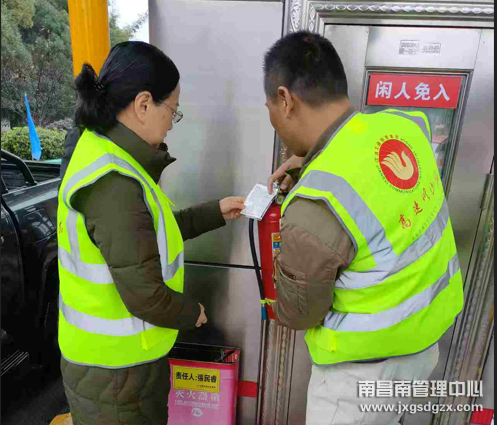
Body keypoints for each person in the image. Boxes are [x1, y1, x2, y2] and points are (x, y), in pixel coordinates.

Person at [264, 31, 464, 425]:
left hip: (358, 380)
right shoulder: (407, 126)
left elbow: (299, 313)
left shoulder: (314, 206)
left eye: (269, 106)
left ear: (285, 100)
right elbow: (369, 177)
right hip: (423, 347)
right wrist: (310, 164)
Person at [57, 41, 245, 425]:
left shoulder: (107, 154)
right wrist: (192, 313)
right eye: (172, 111)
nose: (171, 123)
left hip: (116, 371)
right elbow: (145, 295)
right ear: (143, 105)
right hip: (115, 377)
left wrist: (215, 212)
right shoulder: (113, 181)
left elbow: (149, 232)